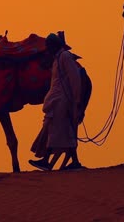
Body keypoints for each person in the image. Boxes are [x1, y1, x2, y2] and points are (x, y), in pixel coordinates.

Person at [29, 32, 84, 171]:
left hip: (62, 102)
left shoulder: (65, 57)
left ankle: (46, 161)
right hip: (57, 101)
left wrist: (77, 101)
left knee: (56, 131)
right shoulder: (57, 59)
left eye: (49, 46)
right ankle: (75, 162)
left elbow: (75, 78)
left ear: (54, 46)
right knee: (65, 132)